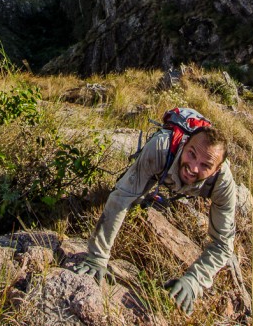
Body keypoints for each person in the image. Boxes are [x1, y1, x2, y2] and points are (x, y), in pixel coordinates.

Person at [73, 126, 236, 315]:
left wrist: (194, 281)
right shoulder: (160, 148)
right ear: (184, 145)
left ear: (217, 170)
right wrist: (97, 258)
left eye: (205, 165)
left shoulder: (223, 185)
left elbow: (223, 245)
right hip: (160, 166)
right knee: (132, 197)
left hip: (183, 178)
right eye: (191, 154)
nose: (193, 167)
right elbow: (121, 198)